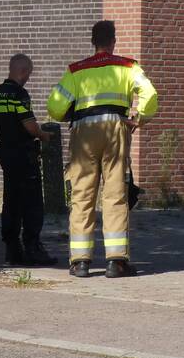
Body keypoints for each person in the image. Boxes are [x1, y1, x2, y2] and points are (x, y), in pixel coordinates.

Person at [47, 21, 157, 279]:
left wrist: (67, 115)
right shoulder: (128, 66)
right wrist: (139, 118)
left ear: (92, 41)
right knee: (115, 192)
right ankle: (116, 262)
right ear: (114, 41)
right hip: (115, 127)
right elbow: (150, 94)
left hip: (84, 130)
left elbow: (55, 106)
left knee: (82, 194)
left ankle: (80, 262)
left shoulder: (77, 70)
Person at [0, 54, 58, 266]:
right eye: (29, 73)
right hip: (23, 155)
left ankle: (12, 249)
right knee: (32, 203)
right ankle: (33, 247)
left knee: (11, 201)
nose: (29, 77)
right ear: (23, 71)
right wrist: (43, 135)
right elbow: (29, 124)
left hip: (6, 155)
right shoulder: (19, 94)